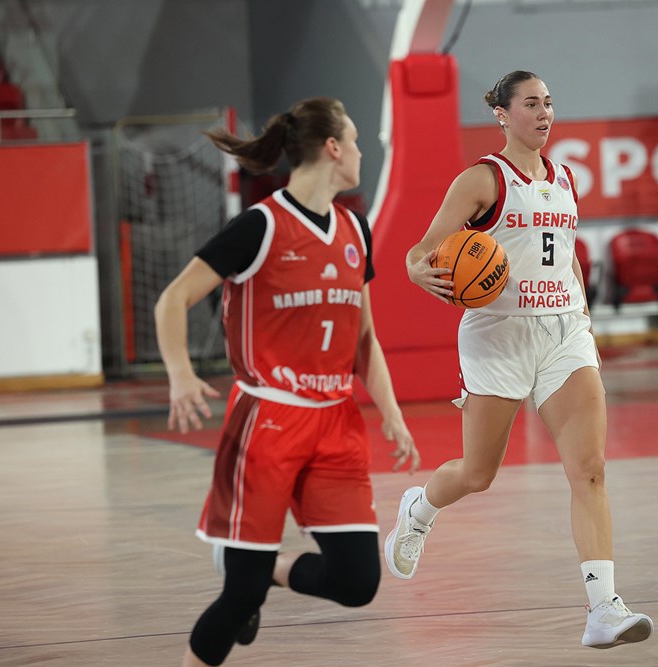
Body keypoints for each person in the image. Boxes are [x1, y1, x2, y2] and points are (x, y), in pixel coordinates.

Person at [383, 70, 653, 649]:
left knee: (590, 470)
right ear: (503, 115)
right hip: (498, 334)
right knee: (478, 474)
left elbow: (565, 258)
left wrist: (580, 313)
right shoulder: (483, 179)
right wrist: (415, 268)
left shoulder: (565, 179)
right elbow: (422, 249)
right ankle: (420, 509)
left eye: (550, 103)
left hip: (563, 332)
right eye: (531, 104)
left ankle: (603, 608)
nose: (544, 113)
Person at [154, 97, 420, 667]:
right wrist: (180, 374)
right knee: (240, 593)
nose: (359, 151)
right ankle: (247, 584)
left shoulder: (355, 228)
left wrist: (392, 412)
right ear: (332, 149)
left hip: (335, 421)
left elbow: (364, 337)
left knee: (356, 581)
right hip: (268, 421)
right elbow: (173, 297)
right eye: (352, 139)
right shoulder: (259, 227)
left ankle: (270, 570)